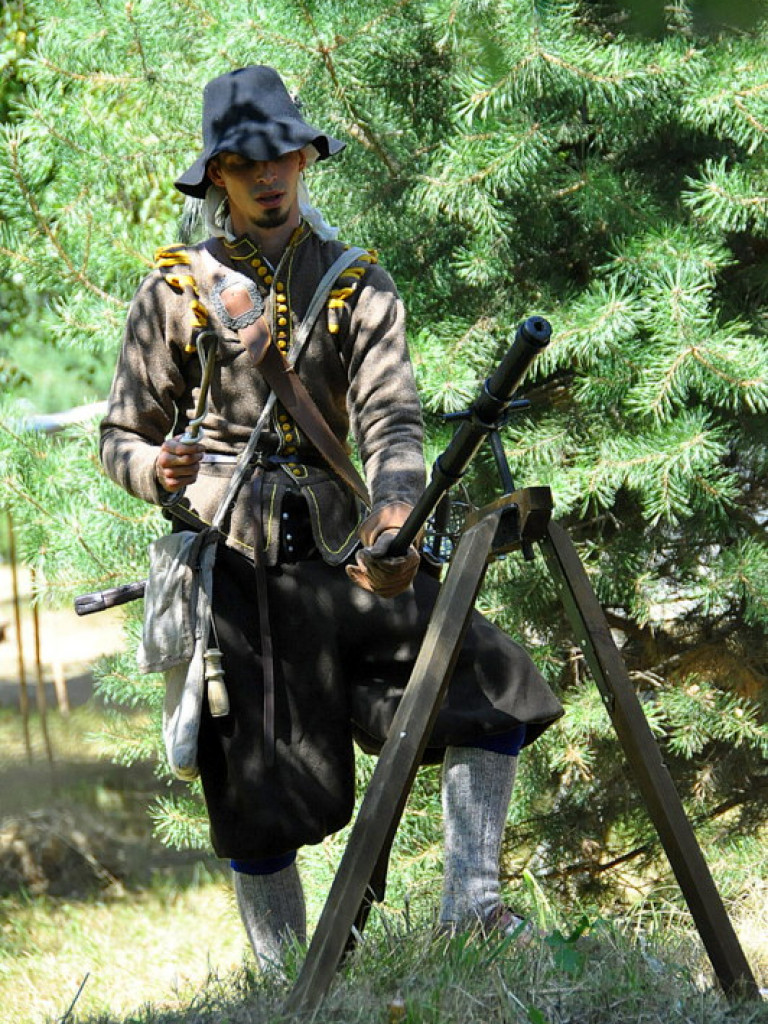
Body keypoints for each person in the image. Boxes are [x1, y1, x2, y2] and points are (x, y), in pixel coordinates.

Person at [100, 65, 563, 970]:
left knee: (493, 682)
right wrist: (155, 467)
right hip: (232, 566)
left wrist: (395, 509)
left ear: (308, 157)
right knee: (251, 784)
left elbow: (391, 418)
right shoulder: (173, 291)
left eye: (282, 155)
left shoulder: (359, 283)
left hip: (350, 556)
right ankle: (286, 976)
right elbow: (118, 433)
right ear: (218, 178)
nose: (267, 175)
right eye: (243, 162)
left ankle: (469, 904)